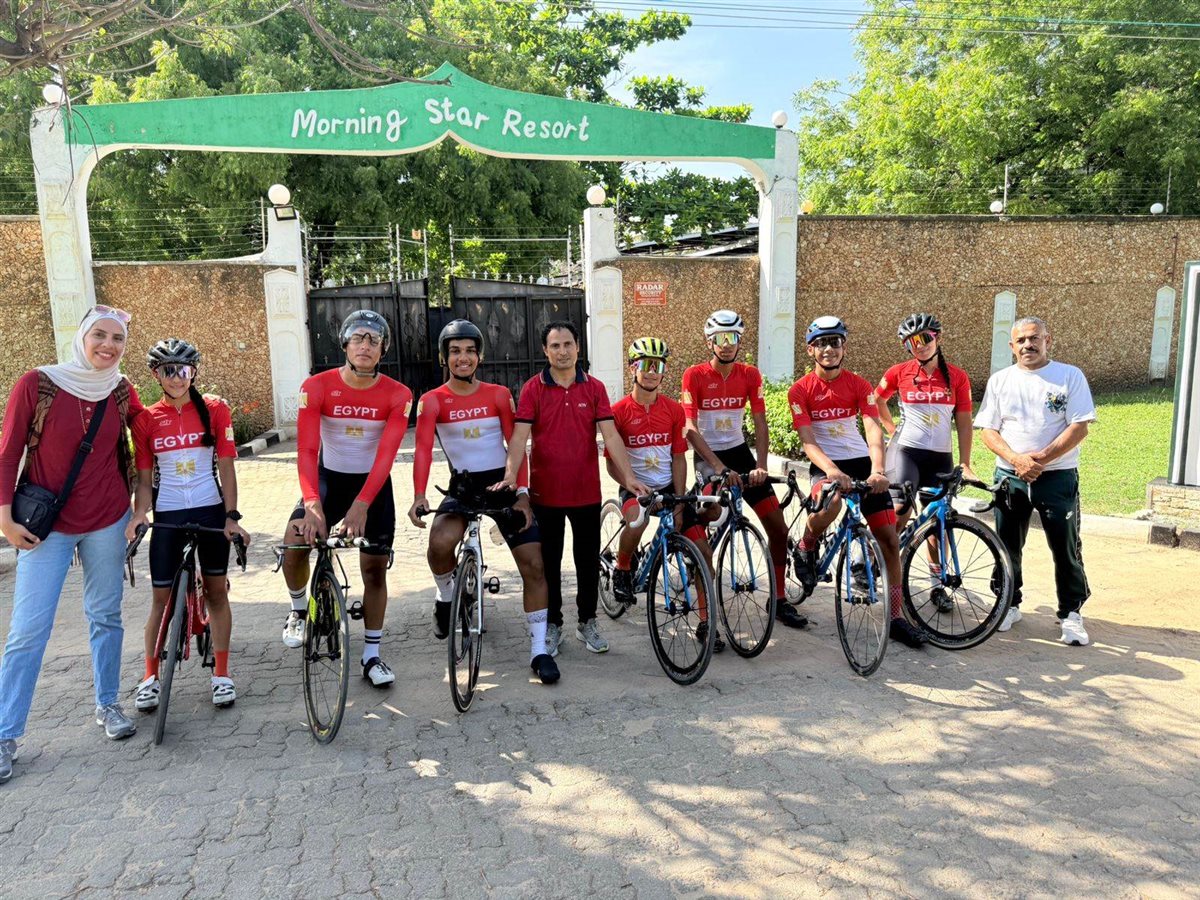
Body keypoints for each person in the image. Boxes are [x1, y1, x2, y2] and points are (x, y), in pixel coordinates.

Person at [0, 306, 144, 784]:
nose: (108, 345)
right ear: (82, 337)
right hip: (44, 528)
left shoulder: (120, 390)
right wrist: (3, 518)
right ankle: (5, 734)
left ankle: (108, 705)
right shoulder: (38, 384)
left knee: (105, 615)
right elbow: (8, 452)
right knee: (28, 631)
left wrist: (203, 405)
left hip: (107, 520)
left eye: (118, 338)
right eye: (99, 335)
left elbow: (150, 432)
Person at [408, 319, 559, 684]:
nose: (463, 358)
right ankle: (447, 596)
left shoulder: (498, 394)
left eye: (470, 351)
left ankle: (539, 649)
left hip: (502, 483)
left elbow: (515, 445)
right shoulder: (431, 400)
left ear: (480, 355)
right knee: (439, 543)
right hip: (463, 487)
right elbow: (423, 450)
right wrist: (419, 495)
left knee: (534, 565)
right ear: (444, 357)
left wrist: (522, 494)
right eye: (455, 351)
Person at [496, 321, 647, 656]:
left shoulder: (594, 388)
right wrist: (510, 475)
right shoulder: (533, 389)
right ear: (545, 350)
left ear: (578, 348)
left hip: (585, 492)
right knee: (549, 562)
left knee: (586, 561)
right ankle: (553, 625)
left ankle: (587, 622)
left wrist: (628, 477)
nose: (562, 352)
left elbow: (610, 435)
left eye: (568, 345)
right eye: (555, 346)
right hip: (546, 494)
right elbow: (519, 439)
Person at [279, 309, 412, 687]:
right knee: (294, 541)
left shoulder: (398, 394)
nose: (365, 345)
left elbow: (386, 456)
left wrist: (362, 505)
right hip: (327, 482)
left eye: (374, 339)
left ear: (383, 349)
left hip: (372, 487)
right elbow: (306, 451)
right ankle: (298, 610)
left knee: (374, 570)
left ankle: (371, 655)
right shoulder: (317, 386)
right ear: (345, 345)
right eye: (358, 337)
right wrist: (312, 504)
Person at [787, 316, 928, 648]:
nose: (829, 349)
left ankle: (896, 618)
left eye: (835, 342)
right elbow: (808, 441)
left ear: (844, 347)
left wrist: (878, 470)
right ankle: (807, 543)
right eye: (821, 343)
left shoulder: (860, 385)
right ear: (810, 350)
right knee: (832, 503)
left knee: (889, 540)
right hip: (826, 465)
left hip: (862, 465)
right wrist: (832, 471)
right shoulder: (800, 390)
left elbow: (873, 429)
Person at [127, 339, 251, 711]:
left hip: (210, 511)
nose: (177, 378)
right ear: (156, 375)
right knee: (160, 601)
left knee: (216, 594)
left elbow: (226, 466)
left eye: (183, 370)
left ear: (193, 372)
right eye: (168, 370)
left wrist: (232, 516)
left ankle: (222, 674)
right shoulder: (146, 420)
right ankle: (149, 677)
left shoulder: (215, 409)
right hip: (168, 516)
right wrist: (139, 514)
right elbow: (144, 480)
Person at [680, 310, 806, 629]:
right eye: (720, 338)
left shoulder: (750, 374)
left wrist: (761, 465)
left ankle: (779, 599)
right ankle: (693, 546)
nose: (727, 344)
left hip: (740, 454)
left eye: (733, 338)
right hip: (709, 457)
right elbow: (690, 427)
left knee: (778, 528)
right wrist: (718, 467)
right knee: (708, 517)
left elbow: (760, 422)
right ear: (710, 342)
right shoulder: (694, 375)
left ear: (740, 341)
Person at [976, 316, 1096, 646]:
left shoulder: (1069, 376)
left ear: (1047, 340)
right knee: (1006, 546)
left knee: (1065, 547)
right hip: (1010, 477)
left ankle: (1071, 613)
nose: (1028, 345)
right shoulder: (1000, 381)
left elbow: (1080, 427)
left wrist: (1039, 460)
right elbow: (988, 430)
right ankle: (1008, 604)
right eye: (1021, 340)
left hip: (1057, 476)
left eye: (1034, 338)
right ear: (1012, 346)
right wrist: (1016, 460)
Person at [607, 338, 722, 651]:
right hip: (636, 487)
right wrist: (630, 483)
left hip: (670, 488)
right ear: (633, 368)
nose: (651, 372)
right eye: (644, 364)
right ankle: (623, 567)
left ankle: (705, 622)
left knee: (703, 553)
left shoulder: (672, 410)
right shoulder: (618, 411)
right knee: (637, 521)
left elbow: (678, 457)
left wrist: (681, 500)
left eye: (657, 365)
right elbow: (612, 464)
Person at [875, 313, 976, 612]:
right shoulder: (898, 372)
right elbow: (876, 400)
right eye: (911, 342)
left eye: (925, 338)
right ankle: (877, 560)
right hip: (907, 453)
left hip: (940, 457)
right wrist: (891, 430)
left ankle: (937, 585)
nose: (919, 345)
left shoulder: (957, 377)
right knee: (900, 511)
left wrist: (966, 462)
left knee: (938, 524)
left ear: (938, 338)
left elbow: (964, 421)